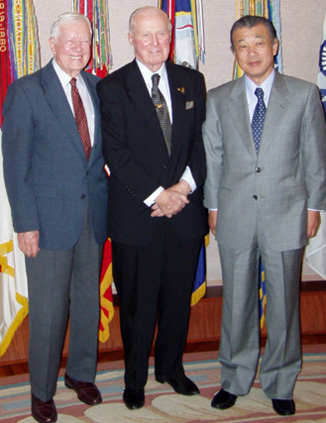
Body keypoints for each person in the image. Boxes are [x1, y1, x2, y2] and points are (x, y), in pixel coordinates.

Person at [203, 15, 326, 417]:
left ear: (275, 46)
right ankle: (234, 378)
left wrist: (314, 208)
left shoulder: (305, 94)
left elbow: (315, 156)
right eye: (242, 45)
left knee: (283, 305)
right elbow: (214, 157)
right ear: (234, 53)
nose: (251, 52)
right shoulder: (218, 97)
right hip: (235, 213)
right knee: (236, 302)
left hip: (288, 212)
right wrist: (213, 207)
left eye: (259, 43)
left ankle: (280, 380)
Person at [97, 6, 208, 410]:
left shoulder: (191, 81)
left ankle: (171, 369)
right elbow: (117, 154)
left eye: (162, 34)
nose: (156, 43)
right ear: (131, 38)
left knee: (178, 299)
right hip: (137, 217)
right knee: (138, 306)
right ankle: (135, 380)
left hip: (184, 215)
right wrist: (159, 195)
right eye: (146, 36)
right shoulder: (111, 88)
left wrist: (181, 189)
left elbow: (201, 144)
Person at [2, 12, 108, 423]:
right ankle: (41, 391)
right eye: (70, 41)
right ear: (51, 44)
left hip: (92, 217)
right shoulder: (26, 91)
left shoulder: (100, 88)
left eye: (85, 41)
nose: (78, 48)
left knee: (86, 302)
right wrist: (24, 223)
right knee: (48, 311)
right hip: (45, 222)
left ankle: (80, 374)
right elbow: (15, 166)